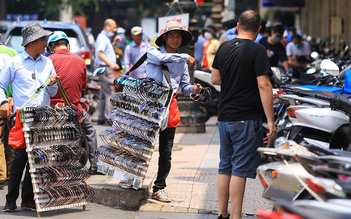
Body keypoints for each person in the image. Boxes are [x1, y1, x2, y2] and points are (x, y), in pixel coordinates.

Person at [211, 10, 276, 219]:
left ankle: (223, 214)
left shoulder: (223, 47)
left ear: (238, 26)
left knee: (225, 167)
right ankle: (236, 217)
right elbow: (264, 85)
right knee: (239, 169)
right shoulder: (258, 50)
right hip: (246, 118)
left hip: (225, 118)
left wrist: (234, 79)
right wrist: (271, 121)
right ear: (258, 30)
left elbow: (215, 79)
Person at [0, 22, 59, 212]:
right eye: (43, 39)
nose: (46, 43)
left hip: (43, 117)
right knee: (20, 158)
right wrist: (2, 102)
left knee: (37, 159)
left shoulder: (48, 62)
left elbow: (53, 91)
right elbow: (0, 85)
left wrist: (51, 84)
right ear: (32, 41)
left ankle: (28, 199)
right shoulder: (14, 62)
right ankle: (11, 199)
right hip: (23, 117)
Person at [146, 21, 202, 202]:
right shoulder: (153, 53)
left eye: (178, 36)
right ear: (164, 38)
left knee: (166, 151)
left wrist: (194, 89)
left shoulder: (182, 61)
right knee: (142, 146)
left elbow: (184, 87)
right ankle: (130, 179)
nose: (176, 39)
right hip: (150, 106)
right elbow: (163, 60)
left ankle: (159, 187)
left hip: (169, 108)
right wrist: (185, 57)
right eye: (172, 35)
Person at [46, 31, 99, 175]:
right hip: (75, 108)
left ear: (52, 45)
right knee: (90, 131)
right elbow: (83, 86)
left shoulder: (49, 60)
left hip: (52, 109)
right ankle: (94, 165)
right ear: (66, 44)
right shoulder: (80, 60)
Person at [95, 19, 121, 125]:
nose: (115, 30)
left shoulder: (105, 38)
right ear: (107, 27)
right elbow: (100, 54)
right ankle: (110, 118)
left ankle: (101, 117)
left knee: (103, 93)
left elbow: (106, 51)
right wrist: (111, 64)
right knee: (110, 92)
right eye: (113, 27)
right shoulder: (102, 38)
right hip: (105, 68)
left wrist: (114, 43)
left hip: (104, 67)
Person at [0, 33, 18, 186]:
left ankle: (1, 174)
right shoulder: (12, 53)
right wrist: (11, 97)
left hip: (2, 100)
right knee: (9, 137)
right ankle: (11, 173)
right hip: (11, 101)